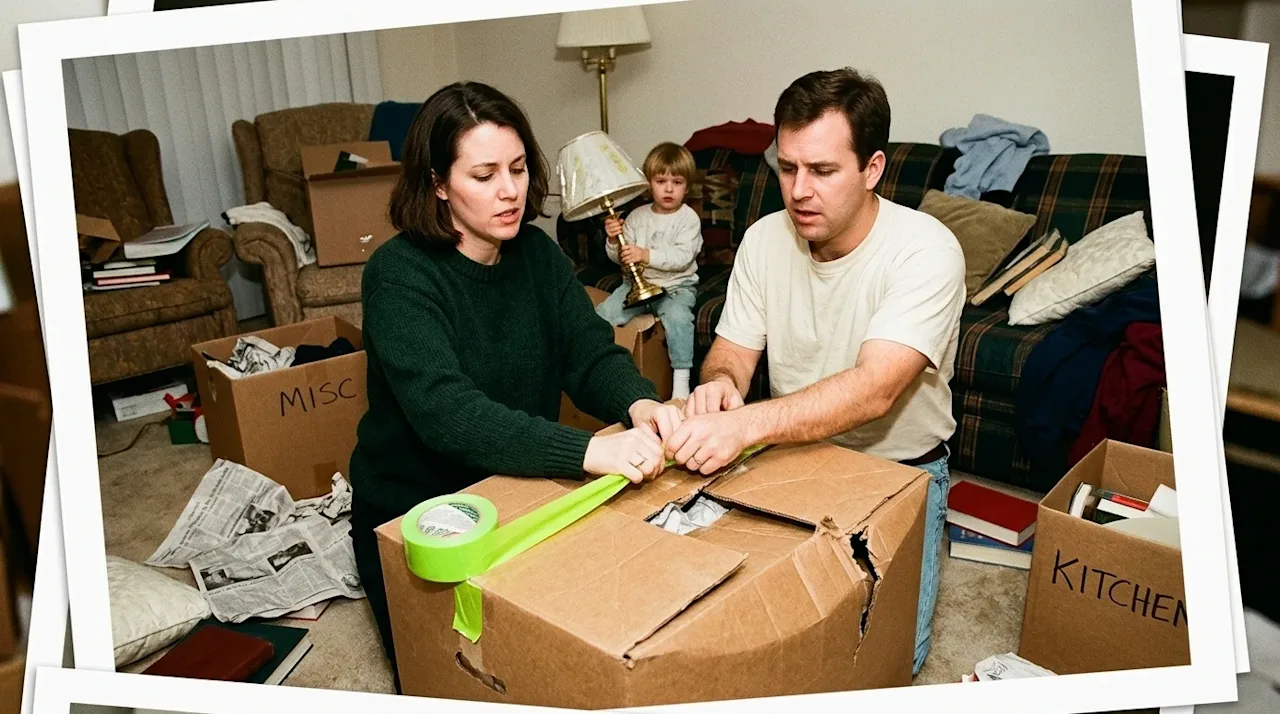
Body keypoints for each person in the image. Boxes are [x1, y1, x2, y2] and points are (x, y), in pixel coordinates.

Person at [347, 81, 684, 692]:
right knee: (450, 680)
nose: (510, 189)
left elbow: (586, 352)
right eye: (484, 175)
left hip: (516, 487)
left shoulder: (535, 252)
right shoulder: (397, 276)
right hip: (417, 510)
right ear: (438, 183)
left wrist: (639, 402)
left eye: (519, 167)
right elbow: (449, 414)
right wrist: (588, 450)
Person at [664, 67, 966, 676]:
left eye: (822, 171)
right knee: (731, 623)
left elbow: (873, 391)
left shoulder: (927, 249)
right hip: (790, 452)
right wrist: (720, 385)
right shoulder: (762, 239)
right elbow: (730, 353)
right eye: (787, 167)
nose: (799, 190)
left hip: (898, 473)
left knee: (884, 660)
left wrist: (744, 426)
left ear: (872, 168)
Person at [595, 142, 703, 399]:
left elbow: (682, 257)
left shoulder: (688, 219)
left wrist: (645, 254)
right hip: (635, 286)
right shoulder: (636, 217)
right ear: (648, 183)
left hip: (675, 287)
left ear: (686, 187)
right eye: (661, 181)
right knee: (603, 314)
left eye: (676, 182)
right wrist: (613, 240)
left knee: (678, 320)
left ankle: (681, 386)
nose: (668, 188)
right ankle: (600, 369)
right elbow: (618, 258)